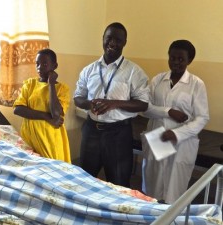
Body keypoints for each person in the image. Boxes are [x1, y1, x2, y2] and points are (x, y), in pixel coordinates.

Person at [74, 22, 149, 187]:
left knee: (119, 183)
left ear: (125, 42)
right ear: (103, 39)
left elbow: (143, 104)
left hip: (118, 134)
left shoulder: (134, 72)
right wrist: (88, 104)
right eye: (109, 38)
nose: (113, 43)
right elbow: (78, 97)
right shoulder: (89, 70)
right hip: (91, 131)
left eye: (118, 39)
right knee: (85, 180)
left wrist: (114, 103)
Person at [141, 40, 209, 204]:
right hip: (158, 137)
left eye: (181, 59)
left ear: (189, 61)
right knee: (152, 189)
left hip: (182, 143)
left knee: (174, 193)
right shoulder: (158, 80)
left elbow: (202, 117)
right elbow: (145, 108)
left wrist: (177, 134)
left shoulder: (196, 84)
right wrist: (168, 111)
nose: (176, 62)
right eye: (172, 58)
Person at [13, 48, 71, 163]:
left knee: (52, 171)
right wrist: (45, 116)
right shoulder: (30, 84)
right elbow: (18, 109)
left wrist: (51, 85)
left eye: (44, 64)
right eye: (37, 64)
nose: (39, 67)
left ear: (54, 66)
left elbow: (56, 114)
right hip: (29, 138)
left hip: (49, 140)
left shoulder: (62, 89)